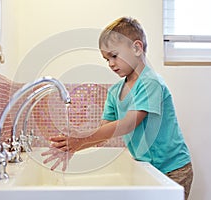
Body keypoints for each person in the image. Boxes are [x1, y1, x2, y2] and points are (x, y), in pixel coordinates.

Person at [41, 16, 193, 199]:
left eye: (114, 56)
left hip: (173, 169)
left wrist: (80, 139)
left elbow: (129, 123)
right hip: (148, 168)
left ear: (137, 48)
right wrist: (74, 145)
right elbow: (104, 134)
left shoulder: (150, 83)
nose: (111, 64)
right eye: (106, 59)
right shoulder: (115, 92)